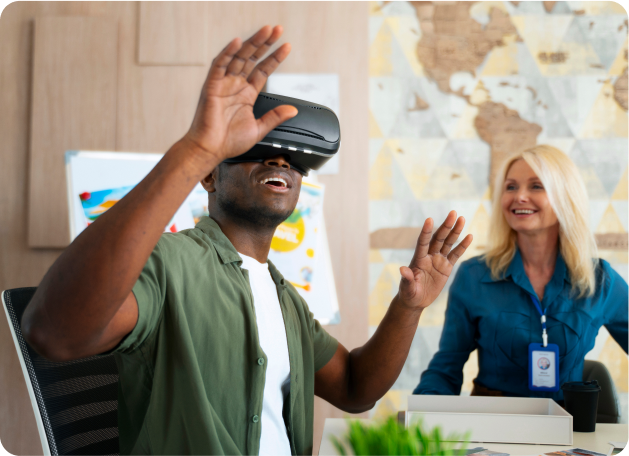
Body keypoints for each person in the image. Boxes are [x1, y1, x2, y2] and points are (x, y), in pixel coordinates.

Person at [21, 25, 472, 456]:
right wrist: (198, 149)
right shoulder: (168, 264)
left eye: (295, 159)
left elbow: (355, 389)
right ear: (210, 178)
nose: (281, 161)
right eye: (255, 150)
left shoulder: (286, 300)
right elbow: (55, 333)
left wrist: (408, 307)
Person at [414, 145, 629, 401]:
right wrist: (420, 414)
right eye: (511, 187)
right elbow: (446, 367)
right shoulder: (473, 275)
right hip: (493, 419)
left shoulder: (600, 279)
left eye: (536, 186)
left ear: (566, 197)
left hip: (569, 421)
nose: (520, 197)